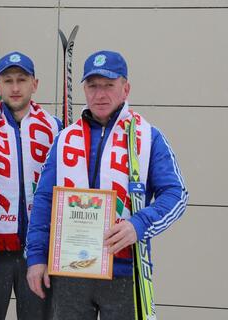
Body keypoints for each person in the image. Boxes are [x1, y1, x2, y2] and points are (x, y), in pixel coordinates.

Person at [26, 50, 188, 320]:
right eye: (92, 86)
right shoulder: (66, 138)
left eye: (109, 85)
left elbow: (176, 194)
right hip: (70, 271)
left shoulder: (146, 136)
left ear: (125, 89)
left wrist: (139, 224)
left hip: (125, 271)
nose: (100, 94)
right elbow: (44, 200)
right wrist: (36, 257)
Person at [0, 51, 62, 320]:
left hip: (39, 252)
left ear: (35, 84)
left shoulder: (57, 129)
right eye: (8, 80)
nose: (16, 87)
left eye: (22, 79)